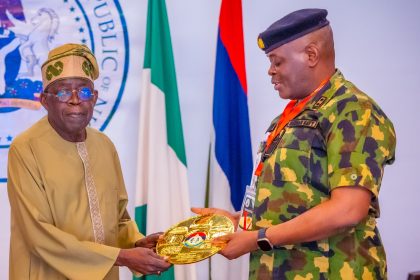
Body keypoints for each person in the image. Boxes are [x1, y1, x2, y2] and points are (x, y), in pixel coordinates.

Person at [193, 8, 396, 279]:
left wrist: (257, 238)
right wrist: (239, 221)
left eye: (278, 62)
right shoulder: (288, 118)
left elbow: (348, 210)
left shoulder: (352, 110)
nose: (270, 71)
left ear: (311, 55)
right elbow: (295, 199)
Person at [7, 43, 171, 279]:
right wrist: (121, 257)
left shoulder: (104, 145)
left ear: (94, 98)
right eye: (63, 92)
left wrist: (136, 243)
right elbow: (39, 235)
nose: (75, 101)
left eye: (83, 92)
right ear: (44, 100)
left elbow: (119, 217)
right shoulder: (25, 149)